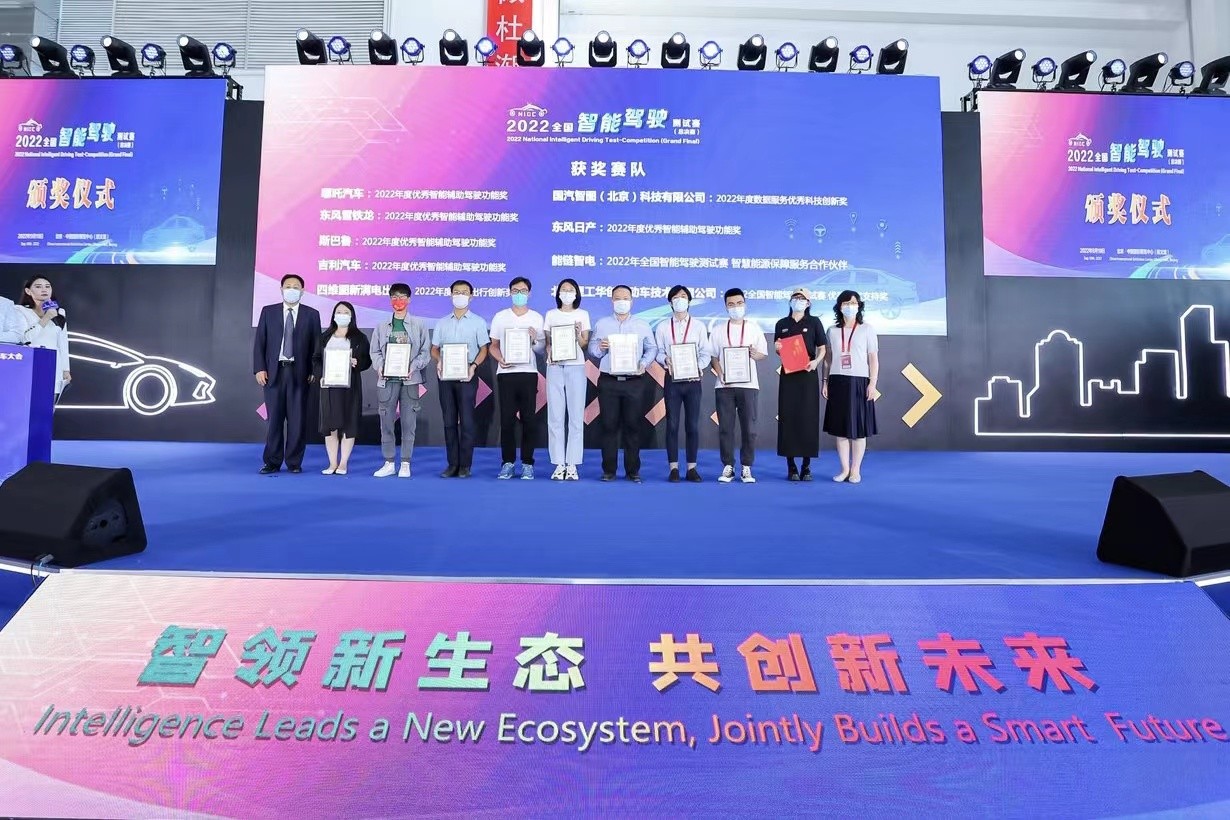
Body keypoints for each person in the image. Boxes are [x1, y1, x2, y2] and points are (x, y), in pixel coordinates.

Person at [588, 285, 657, 482]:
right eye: (617, 298)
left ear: (632, 301)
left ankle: (632, 471)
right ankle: (609, 470)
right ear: (612, 301)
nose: (621, 302)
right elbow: (593, 350)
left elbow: (651, 348)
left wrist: (643, 363)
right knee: (608, 426)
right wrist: (601, 347)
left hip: (634, 381)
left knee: (633, 426)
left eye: (625, 298)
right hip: (609, 381)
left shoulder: (642, 325)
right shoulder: (602, 324)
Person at [253, 274, 321, 474]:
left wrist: (314, 371)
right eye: (288, 286)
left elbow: (316, 346)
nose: (292, 289)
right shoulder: (269, 312)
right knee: (274, 420)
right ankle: (272, 461)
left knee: (297, 420)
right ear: (281, 289)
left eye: (296, 287)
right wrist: (259, 368)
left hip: (299, 374)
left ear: (302, 291)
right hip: (274, 373)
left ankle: (294, 462)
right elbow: (260, 342)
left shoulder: (312, 314)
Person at [370, 283, 432, 478]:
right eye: (395, 297)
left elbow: (425, 353)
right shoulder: (381, 326)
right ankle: (389, 462)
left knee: (408, 423)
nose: (399, 300)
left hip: (410, 381)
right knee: (386, 423)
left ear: (409, 299)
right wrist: (380, 366)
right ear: (390, 300)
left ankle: (405, 462)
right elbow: (375, 352)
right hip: (387, 381)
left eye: (403, 296)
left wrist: (413, 366)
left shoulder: (419, 325)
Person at [709, 288, 769, 484]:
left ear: (745, 304)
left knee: (749, 428)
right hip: (724, 386)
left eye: (739, 303)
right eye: (731, 304)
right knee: (726, 428)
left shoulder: (754, 328)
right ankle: (728, 465)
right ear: (726, 307)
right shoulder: (718, 330)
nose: (736, 307)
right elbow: (713, 357)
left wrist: (754, 354)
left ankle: (746, 466)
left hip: (749, 384)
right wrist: (721, 374)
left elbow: (763, 354)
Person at [489, 276, 546, 480]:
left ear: (529, 293)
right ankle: (508, 463)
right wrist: (500, 359)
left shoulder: (537, 318)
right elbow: (493, 346)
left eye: (523, 291)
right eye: (515, 290)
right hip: (506, 373)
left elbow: (541, 350)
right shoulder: (500, 317)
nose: (519, 294)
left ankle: (528, 463)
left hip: (529, 373)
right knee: (507, 420)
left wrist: (534, 339)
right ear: (510, 292)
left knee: (529, 420)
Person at [431, 279, 489, 478]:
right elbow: (434, 349)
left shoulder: (478, 322)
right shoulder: (442, 322)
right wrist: (439, 360)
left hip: (468, 374)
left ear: (471, 296)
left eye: (464, 292)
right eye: (456, 292)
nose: (460, 296)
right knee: (449, 421)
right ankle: (452, 464)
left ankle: (465, 465)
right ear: (451, 295)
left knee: (467, 421)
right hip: (446, 376)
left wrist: (474, 366)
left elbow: (483, 349)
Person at [654, 285, 709, 482]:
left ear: (689, 301)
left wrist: (698, 367)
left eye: (683, 296)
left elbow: (705, 353)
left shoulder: (699, 326)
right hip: (672, 380)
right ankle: (674, 468)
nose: (680, 300)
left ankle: (692, 468)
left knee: (692, 425)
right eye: (676, 297)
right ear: (670, 302)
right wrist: (665, 360)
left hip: (693, 381)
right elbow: (658, 352)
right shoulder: (662, 326)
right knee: (672, 424)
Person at [823, 289, 879, 483]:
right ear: (839, 306)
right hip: (837, 380)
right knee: (840, 429)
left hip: (859, 381)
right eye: (846, 303)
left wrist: (872, 383)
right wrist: (825, 381)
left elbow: (873, 359)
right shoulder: (832, 330)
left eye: (853, 303)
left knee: (858, 429)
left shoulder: (867, 329)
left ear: (859, 306)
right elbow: (827, 360)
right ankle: (844, 469)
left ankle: (856, 470)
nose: (850, 306)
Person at [773, 288, 826, 481]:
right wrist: (777, 348)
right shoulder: (782, 323)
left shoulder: (814, 322)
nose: (798, 301)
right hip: (788, 376)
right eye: (795, 297)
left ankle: (806, 465)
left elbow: (822, 348)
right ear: (790, 301)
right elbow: (779, 348)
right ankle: (791, 466)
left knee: (807, 418)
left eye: (802, 298)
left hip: (807, 374)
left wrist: (816, 362)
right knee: (788, 417)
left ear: (808, 303)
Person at [314, 301, 371, 475]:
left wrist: (357, 363)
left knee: (349, 424)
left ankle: (343, 463)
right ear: (333, 315)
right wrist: (321, 375)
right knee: (330, 426)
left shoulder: (360, 338)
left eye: (346, 312)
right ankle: (332, 463)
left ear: (351, 316)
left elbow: (367, 361)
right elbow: (316, 359)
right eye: (339, 312)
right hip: (329, 387)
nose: (342, 315)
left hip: (350, 387)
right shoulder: (324, 337)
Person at [543, 278, 590, 481]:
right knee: (555, 416)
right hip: (554, 366)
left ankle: (572, 464)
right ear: (558, 293)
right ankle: (558, 463)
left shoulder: (583, 314)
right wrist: (550, 353)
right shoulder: (551, 314)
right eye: (564, 289)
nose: (567, 292)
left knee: (576, 416)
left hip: (576, 366)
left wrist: (578, 334)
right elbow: (547, 342)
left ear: (576, 293)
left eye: (571, 290)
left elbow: (584, 343)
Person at [14, 276, 71, 398]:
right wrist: (46, 318)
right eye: (38, 287)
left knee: (49, 404)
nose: (44, 289)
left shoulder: (59, 312)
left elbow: (62, 342)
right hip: (30, 365)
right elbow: (24, 339)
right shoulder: (20, 311)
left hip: (54, 366)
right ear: (28, 291)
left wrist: (66, 369)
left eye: (47, 286)